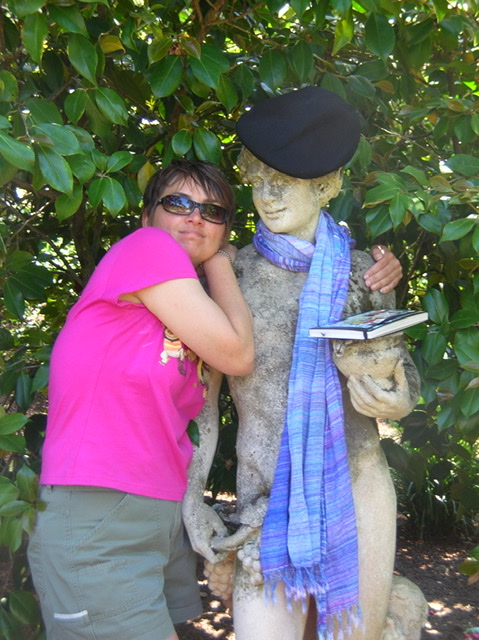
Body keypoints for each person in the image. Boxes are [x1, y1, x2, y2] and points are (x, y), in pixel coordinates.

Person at [182, 87, 422, 640]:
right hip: (264, 502)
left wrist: (396, 400)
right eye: (258, 180)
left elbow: (402, 374)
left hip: (357, 490)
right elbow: (200, 404)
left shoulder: (364, 274)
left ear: (326, 185)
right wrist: (193, 499)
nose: (266, 197)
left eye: (283, 182)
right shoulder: (231, 276)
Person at [27, 159, 255, 640]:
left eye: (213, 211)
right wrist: (219, 261)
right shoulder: (147, 247)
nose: (195, 217)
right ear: (147, 216)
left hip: (156, 508)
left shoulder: (183, 305)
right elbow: (238, 354)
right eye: (179, 203)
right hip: (98, 504)